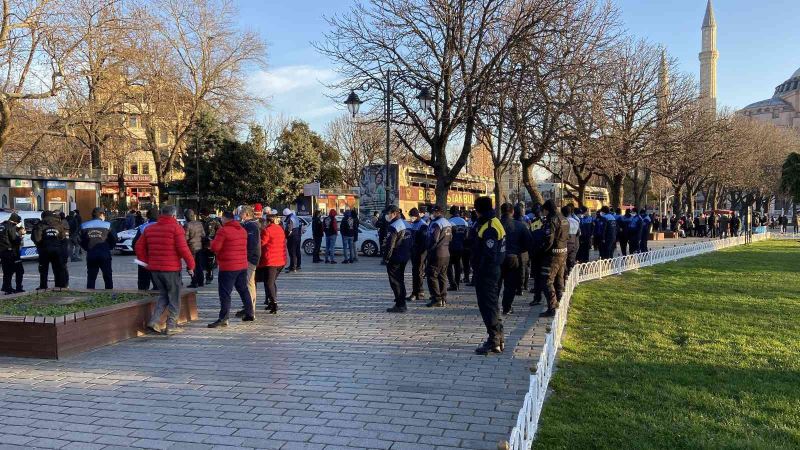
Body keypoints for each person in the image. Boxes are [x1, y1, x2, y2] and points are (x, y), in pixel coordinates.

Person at [135, 205, 195, 335]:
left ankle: (154, 321)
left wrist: (146, 262)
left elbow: (138, 247)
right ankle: (171, 325)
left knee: (163, 295)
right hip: (171, 269)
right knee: (174, 297)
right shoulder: (176, 229)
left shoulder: (149, 228)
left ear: (161, 215)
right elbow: (184, 250)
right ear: (174, 216)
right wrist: (191, 265)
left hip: (155, 269)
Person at [471, 196, 506, 355]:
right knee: (492, 305)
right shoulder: (494, 222)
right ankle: (498, 338)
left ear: (479, 210)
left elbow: (489, 254)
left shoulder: (489, 226)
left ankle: (493, 340)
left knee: (488, 306)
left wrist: (479, 269)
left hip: (487, 272)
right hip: (493, 270)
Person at [208, 211, 254, 327]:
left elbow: (215, 247)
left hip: (228, 266)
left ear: (224, 219)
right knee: (243, 289)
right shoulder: (242, 230)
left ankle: (223, 318)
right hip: (242, 265)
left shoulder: (223, 231)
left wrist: (211, 242)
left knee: (225, 293)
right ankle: (249, 313)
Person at [539, 200, 569, 318]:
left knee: (547, 280)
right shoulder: (564, 218)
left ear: (547, 209)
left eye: (544, 210)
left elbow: (549, 240)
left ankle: (552, 307)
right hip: (563, 252)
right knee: (559, 279)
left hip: (553, 255)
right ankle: (561, 302)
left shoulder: (552, 220)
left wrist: (542, 250)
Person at [499, 203, 530, 316]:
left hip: (497, 258)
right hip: (513, 257)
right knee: (510, 285)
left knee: (496, 284)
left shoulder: (495, 224)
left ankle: (493, 307)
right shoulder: (520, 225)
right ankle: (507, 307)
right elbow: (528, 243)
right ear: (512, 212)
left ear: (501, 211)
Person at [383, 205, 412, 313]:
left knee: (395, 281)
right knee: (400, 280)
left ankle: (400, 304)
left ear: (394, 213)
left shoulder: (394, 226)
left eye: (388, 213)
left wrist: (386, 258)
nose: (387, 215)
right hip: (404, 256)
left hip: (395, 257)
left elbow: (390, 244)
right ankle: (401, 302)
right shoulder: (406, 224)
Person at [80, 207, 117, 289]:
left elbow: (80, 240)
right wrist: (109, 247)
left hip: (91, 254)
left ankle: (90, 295)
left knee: (91, 277)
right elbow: (114, 238)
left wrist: (87, 248)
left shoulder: (84, 225)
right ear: (101, 215)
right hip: (105, 254)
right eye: (103, 214)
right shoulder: (108, 225)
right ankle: (109, 295)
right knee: (107, 276)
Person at [257, 209, 286, 314]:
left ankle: (274, 303)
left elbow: (262, 243)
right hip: (281, 260)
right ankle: (271, 302)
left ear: (268, 222)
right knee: (271, 282)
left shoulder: (267, 230)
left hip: (271, 261)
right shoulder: (280, 229)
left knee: (269, 283)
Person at [32, 211, 69, 289]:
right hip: (57, 250)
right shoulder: (59, 224)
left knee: (43, 270)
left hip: (44, 250)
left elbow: (36, 238)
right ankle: (59, 286)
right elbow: (63, 238)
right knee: (57, 269)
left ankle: (43, 286)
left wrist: (40, 245)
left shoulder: (40, 225)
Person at [237, 206, 261, 317]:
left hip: (250, 259)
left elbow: (252, 243)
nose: (239, 215)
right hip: (250, 257)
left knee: (248, 283)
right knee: (248, 283)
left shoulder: (251, 226)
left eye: (241, 213)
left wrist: (246, 256)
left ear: (246, 214)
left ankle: (250, 309)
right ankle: (249, 307)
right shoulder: (249, 225)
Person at [425, 205, 451, 308]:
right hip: (446, 252)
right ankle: (443, 298)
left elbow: (434, 239)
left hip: (436, 253)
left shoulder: (436, 223)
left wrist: (429, 249)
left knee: (432, 275)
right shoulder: (447, 223)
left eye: (432, 212)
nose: (431, 214)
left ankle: (436, 299)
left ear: (437, 212)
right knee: (443, 276)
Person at [132, 208, 159, 290]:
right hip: (158, 259)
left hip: (144, 259)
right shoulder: (163, 227)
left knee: (143, 283)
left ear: (148, 217)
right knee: (157, 283)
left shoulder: (143, 227)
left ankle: (143, 298)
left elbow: (135, 243)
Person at [406, 208, 428, 302]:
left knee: (418, 272)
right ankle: (418, 291)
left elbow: (423, 241)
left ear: (416, 216)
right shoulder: (414, 224)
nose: (411, 218)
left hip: (420, 252)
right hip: (414, 251)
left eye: (412, 216)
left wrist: (419, 252)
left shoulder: (422, 225)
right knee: (415, 272)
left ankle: (418, 292)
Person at [0, 213, 24, 294]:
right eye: (18, 222)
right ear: (15, 221)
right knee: (19, 270)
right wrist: (20, 236)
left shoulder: (2, 225)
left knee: (7, 271)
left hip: (2, 252)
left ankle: (6, 287)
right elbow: (14, 239)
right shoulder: (11, 226)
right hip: (11, 252)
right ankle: (18, 288)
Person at [447, 206, 467, 291]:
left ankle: (452, 284)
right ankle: (457, 284)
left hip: (451, 246)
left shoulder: (449, 222)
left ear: (451, 213)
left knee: (449, 266)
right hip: (461, 246)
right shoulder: (464, 222)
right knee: (458, 265)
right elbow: (466, 235)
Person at [184, 209, 206, 288]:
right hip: (199, 247)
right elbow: (203, 234)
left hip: (191, 247)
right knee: (199, 265)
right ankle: (201, 281)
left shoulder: (187, 225)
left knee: (191, 265)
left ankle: (194, 281)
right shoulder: (199, 223)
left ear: (186, 216)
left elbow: (185, 238)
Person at [200, 208, 221, 283]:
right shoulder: (200, 222)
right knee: (202, 261)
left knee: (210, 262)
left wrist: (214, 239)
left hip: (210, 244)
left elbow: (220, 231)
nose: (201, 216)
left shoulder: (214, 221)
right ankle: (203, 276)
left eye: (201, 215)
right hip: (202, 244)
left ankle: (209, 276)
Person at [562, 204, 580, 276]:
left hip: (565, 242)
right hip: (574, 242)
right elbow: (578, 233)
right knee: (571, 259)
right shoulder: (576, 221)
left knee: (564, 260)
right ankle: (571, 275)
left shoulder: (563, 221)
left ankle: (565, 275)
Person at [462, 210, 476, 285]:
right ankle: (468, 278)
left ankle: (468, 278)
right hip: (470, 246)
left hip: (469, 246)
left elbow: (466, 234)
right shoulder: (472, 223)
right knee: (470, 263)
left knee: (469, 263)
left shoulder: (470, 223)